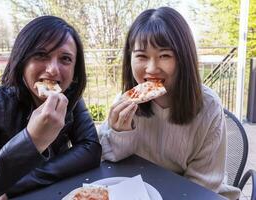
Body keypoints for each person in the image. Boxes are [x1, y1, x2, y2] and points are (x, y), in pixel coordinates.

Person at [99, 7, 240, 200]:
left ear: (183, 58)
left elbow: (204, 182)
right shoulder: (124, 103)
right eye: (141, 56)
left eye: (164, 55)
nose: (151, 68)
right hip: (140, 193)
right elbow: (109, 163)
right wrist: (120, 133)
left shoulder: (208, 106)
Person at [0, 16, 101, 200]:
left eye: (65, 59)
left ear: (74, 72)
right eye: (41, 54)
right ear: (22, 60)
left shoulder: (69, 97)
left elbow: (91, 149)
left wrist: (15, 185)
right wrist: (32, 141)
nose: (53, 70)